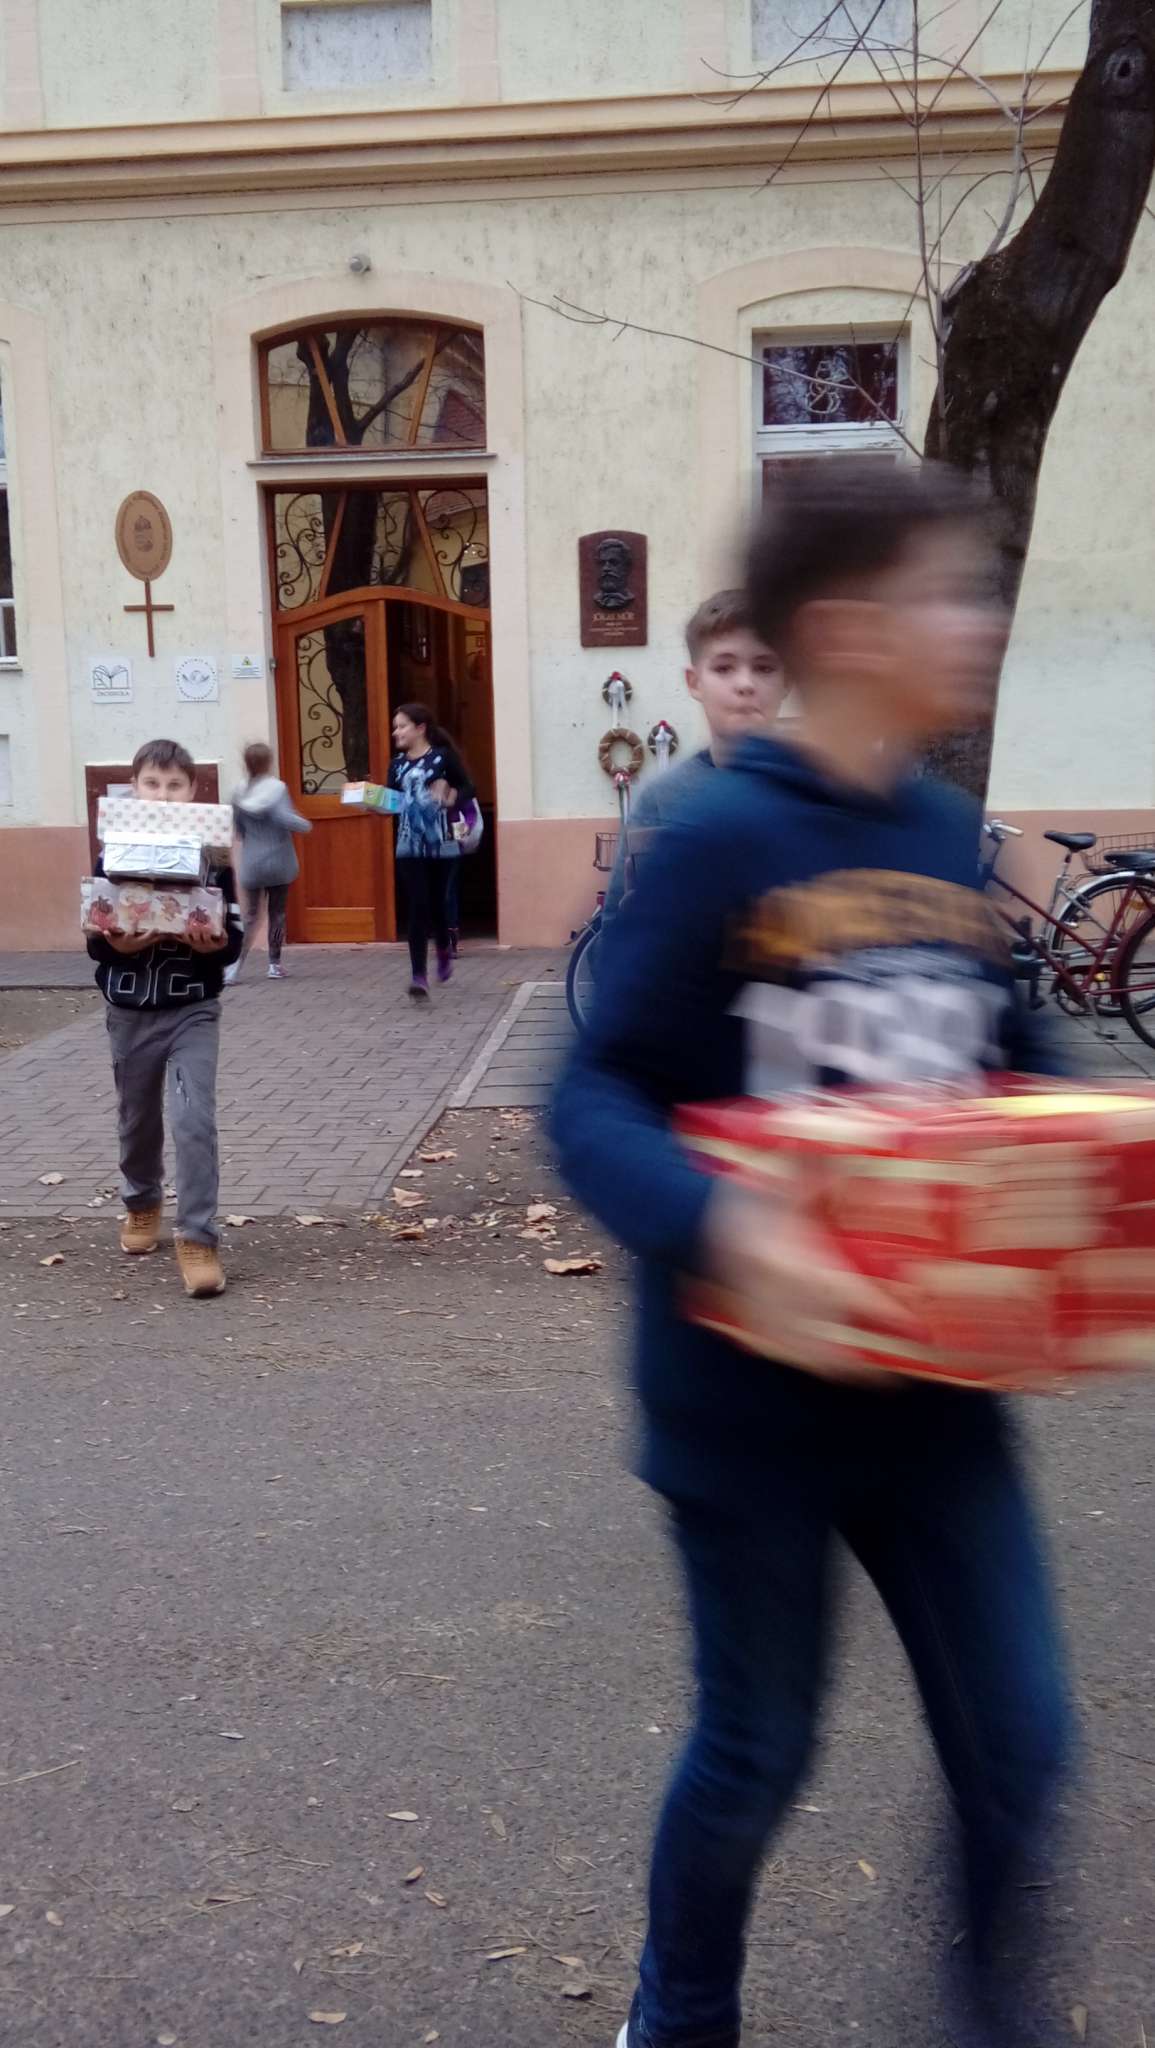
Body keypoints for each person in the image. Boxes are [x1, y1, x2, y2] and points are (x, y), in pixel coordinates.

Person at [553, 462, 1072, 2048]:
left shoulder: (941, 832)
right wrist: (720, 1225)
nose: (980, 620)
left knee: (1019, 1745)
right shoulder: (716, 836)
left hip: (935, 1402)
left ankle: (992, 2018)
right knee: (755, 1752)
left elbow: (1016, 1071)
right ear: (847, 630)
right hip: (743, 1416)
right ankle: (678, 2019)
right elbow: (591, 1094)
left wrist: (1089, 1171)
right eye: (949, 592)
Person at [87, 739, 243, 1299]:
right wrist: (118, 946)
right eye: (152, 783)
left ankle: (198, 1237)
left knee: (193, 1120)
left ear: (192, 791)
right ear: (134, 788)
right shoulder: (112, 851)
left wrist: (214, 945)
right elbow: (96, 939)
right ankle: (141, 1201)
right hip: (129, 1012)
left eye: (175, 785)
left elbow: (232, 940)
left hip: (192, 1011)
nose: (163, 794)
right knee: (137, 1122)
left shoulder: (214, 856)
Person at [601, 590, 785, 928]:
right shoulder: (661, 800)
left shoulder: (819, 794)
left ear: (787, 681)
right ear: (695, 682)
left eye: (764, 667)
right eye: (724, 667)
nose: (745, 683)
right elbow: (615, 927)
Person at [387, 703, 473, 1001]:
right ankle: (419, 977)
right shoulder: (396, 765)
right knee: (417, 906)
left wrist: (451, 794)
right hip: (408, 845)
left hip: (441, 844)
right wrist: (374, 804)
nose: (396, 732)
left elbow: (468, 788)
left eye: (402, 726)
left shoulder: (443, 758)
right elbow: (393, 800)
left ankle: (444, 949)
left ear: (420, 728)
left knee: (437, 904)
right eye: (396, 727)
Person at [226, 740, 311, 982]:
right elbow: (285, 818)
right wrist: (305, 825)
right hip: (279, 860)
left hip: (252, 861)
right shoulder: (277, 788)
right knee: (277, 912)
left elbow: (239, 829)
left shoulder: (238, 791)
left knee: (250, 915)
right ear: (268, 762)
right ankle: (274, 965)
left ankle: (235, 967)